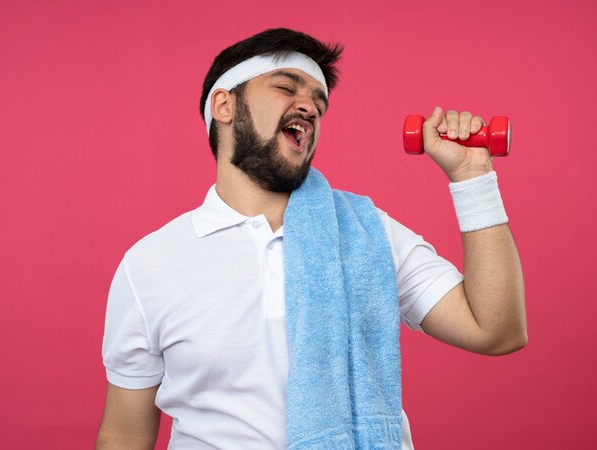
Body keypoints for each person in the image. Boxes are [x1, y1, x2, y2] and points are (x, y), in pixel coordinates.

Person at [96, 28, 527, 450]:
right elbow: (125, 435)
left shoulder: (366, 232)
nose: (310, 108)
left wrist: (472, 177)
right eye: (286, 87)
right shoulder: (151, 264)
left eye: (319, 102)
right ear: (224, 105)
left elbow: (496, 330)